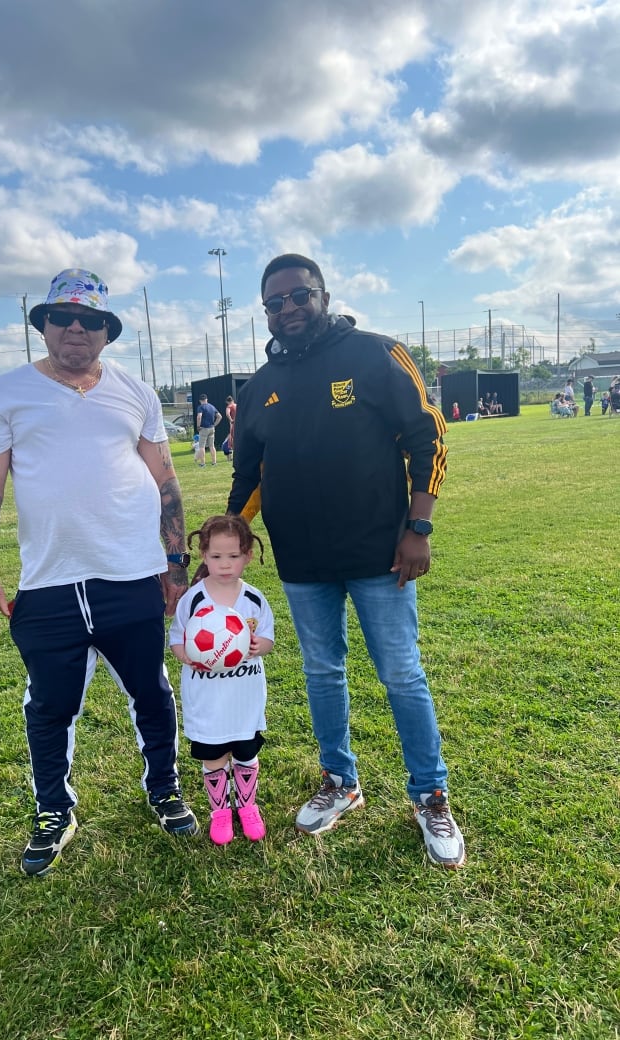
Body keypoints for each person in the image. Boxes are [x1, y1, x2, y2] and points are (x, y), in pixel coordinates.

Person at [227, 252, 465, 869]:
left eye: (299, 296)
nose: (288, 309)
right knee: (322, 672)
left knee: (401, 674)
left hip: (380, 555)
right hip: (303, 562)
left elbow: (427, 436)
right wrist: (231, 536)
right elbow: (248, 473)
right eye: (274, 303)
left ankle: (430, 795)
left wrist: (419, 527)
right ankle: (340, 781)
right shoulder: (258, 388)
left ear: (323, 294)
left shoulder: (375, 354)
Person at [0, 268, 198, 877]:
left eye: (89, 320)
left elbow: (165, 480)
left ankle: (164, 788)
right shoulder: (6, 393)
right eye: (62, 317)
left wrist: (175, 563)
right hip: (50, 583)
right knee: (49, 706)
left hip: (134, 576)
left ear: (106, 331)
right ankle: (53, 810)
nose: (75, 329)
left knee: (151, 691)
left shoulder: (135, 392)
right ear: (42, 325)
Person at [169, 515, 274, 845]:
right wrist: (185, 654)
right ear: (203, 555)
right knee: (214, 756)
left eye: (233, 556)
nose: (225, 564)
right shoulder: (194, 600)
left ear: (246, 556)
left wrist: (260, 645)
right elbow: (176, 639)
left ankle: (247, 806)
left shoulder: (254, 599)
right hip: (208, 701)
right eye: (216, 557)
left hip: (244, 698)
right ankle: (220, 813)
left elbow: (268, 639)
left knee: (245, 753)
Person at [195, 393, 221, 467]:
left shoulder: (200, 407)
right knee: (212, 446)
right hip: (211, 428)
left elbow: (199, 417)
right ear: (207, 399)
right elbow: (219, 416)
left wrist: (198, 426)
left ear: (200, 400)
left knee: (202, 446)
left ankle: (203, 463)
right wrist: (214, 424)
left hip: (204, 428)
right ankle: (214, 462)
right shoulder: (212, 407)